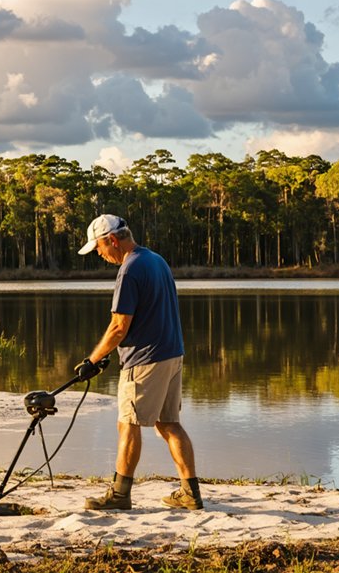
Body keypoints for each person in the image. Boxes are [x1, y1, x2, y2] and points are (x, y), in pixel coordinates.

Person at [74, 214, 203, 511]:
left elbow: (119, 326)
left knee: (128, 423)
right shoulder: (156, 260)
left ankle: (120, 494)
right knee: (169, 423)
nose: (98, 254)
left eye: (98, 248)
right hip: (172, 353)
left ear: (113, 241)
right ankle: (190, 493)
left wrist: (92, 359)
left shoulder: (129, 270)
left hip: (145, 359)